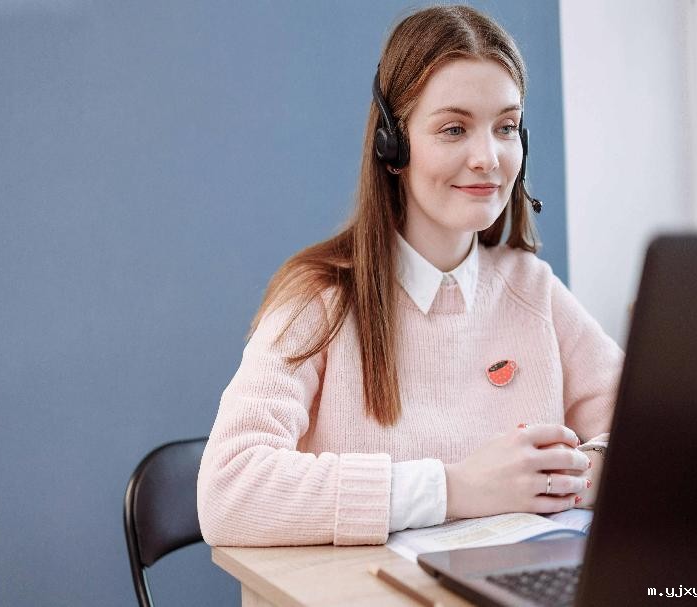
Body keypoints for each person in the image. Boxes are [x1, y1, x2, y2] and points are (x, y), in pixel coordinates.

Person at [197, 4, 622, 547]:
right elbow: (229, 490)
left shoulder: (532, 289)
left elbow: (661, 435)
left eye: (506, 127)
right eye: (454, 129)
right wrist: (456, 489)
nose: (488, 157)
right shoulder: (319, 299)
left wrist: (566, 478)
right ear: (392, 146)